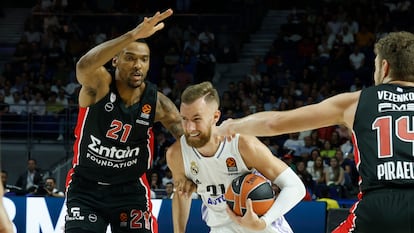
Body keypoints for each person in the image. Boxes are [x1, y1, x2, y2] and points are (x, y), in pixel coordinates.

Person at [216, 31, 414, 233]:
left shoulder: (356, 102)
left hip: (376, 206)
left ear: (384, 66)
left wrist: (232, 126)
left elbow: (274, 123)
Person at [64, 9, 194, 233]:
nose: (138, 65)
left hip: (130, 189)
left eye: (144, 59)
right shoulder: (99, 85)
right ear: (115, 60)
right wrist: (132, 35)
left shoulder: (158, 104)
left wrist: (186, 172)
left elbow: (187, 138)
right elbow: (83, 67)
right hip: (86, 187)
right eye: (130, 57)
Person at [166, 81, 305, 233]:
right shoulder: (177, 154)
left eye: (197, 119)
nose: (189, 128)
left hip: (263, 229)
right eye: (184, 119)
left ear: (215, 116)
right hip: (221, 229)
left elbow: (295, 187)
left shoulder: (242, 145)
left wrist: (263, 222)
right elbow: (181, 195)